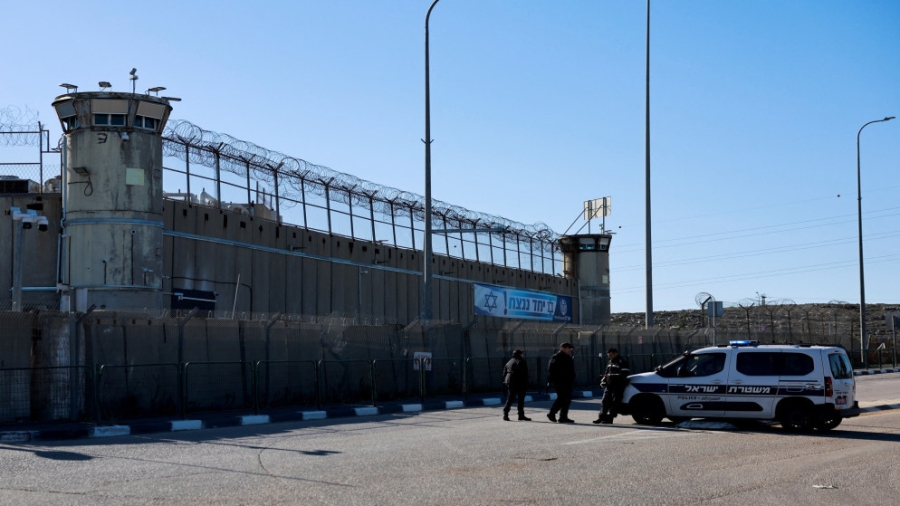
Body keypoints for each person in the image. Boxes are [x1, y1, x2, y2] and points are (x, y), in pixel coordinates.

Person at [594, 348, 630, 424]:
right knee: (604, 401)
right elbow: (607, 372)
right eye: (608, 355)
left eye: (611, 355)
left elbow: (624, 374)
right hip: (610, 385)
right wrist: (603, 380)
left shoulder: (622, 362)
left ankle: (610, 418)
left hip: (618, 385)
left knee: (615, 403)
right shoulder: (610, 361)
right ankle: (602, 417)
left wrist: (611, 375)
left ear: (616, 353)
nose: (609, 356)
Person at [546, 342, 576, 423]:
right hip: (560, 381)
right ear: (562, 348)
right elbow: (551, 369)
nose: (570, 350)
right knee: (562, 398)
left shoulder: (568, 357)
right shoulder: (556, 357)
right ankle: (552, 413)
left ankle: (563, 416)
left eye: (570, 348)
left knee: (567, 399)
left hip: (568, 381)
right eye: (568, 348)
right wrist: (554, 380)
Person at [502, 349, 531, 421]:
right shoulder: (521, 361)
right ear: (519, 354)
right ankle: (521, 415)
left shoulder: (509, 362)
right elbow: (524, 373)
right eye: (521, 354)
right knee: (521, 399)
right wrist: (526, 383)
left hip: (510, 381)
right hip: (519, 382)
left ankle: (506, 414)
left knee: (510, 397)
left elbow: (504, 373)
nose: (522, 355)